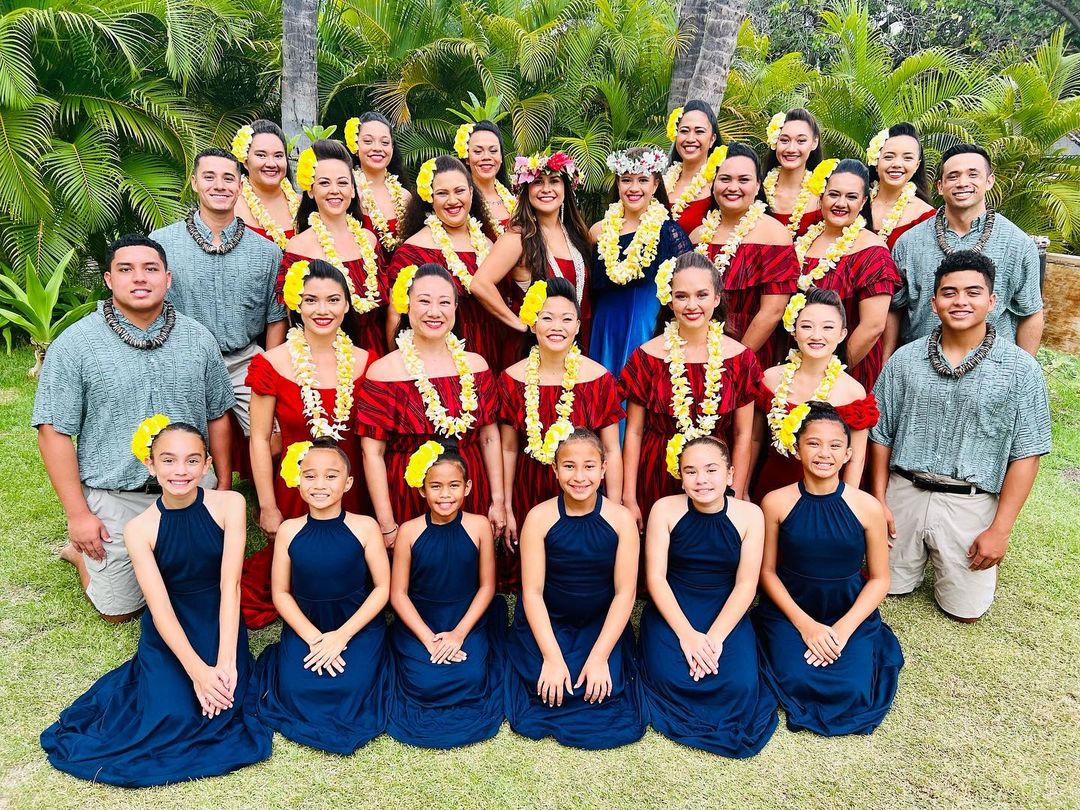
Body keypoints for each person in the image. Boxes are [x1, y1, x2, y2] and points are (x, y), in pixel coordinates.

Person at [41, 422, 270, 786]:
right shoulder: (140, 528)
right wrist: (199, 672)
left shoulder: (231, 504)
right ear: (150, 465)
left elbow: (230, 586)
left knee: (224, 703)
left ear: (207, 464)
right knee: (171, 718)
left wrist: (226, 662)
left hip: (217, 619)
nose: (181, 470)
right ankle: (81, 561)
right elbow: (160, 608)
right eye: (168, 460)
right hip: (170, 627)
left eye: (192, 460)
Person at [33, 235, 233, 623]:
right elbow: (53, 431)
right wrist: (78, 515)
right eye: (126, 269)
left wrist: (222, 483)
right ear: (109, 279)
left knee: (199, 593)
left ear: (167, 279)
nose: (139, 278)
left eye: (150, 269)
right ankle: (81, 558)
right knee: (120, 612)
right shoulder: (75, 345)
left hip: (190, 489)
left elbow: (217, 414)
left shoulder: (198, 338)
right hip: (117, 495)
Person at [870, 251, 1051, 622]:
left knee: (964, 612)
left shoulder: (1021, 370)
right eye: (949, 292)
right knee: (888, 587)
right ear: (934, 303)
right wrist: (879, 501)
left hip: (970, 503)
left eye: (973, 292)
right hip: (904, 492)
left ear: (992, 301)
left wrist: (1000, 530)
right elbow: (881, 435)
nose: (960, 301)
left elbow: (1027, 453)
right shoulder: (904, 360)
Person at [753, 403, 903, 736]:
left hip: (846, 610)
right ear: (797, 449)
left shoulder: (867, 506)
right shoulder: (775, 502)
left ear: (848, 454)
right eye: (814, 443)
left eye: (835, 445)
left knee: (852, 689)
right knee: (796, 678)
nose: (824, 453)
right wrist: (806, 626)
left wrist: (843, 630)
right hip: (791, 611)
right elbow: (767, 572)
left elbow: (880, 579)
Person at [242, 259, 372, 629]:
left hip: (354, 487)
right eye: (311, 300)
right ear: (296, 304)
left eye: (333, 300)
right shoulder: (272, 364)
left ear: (347, 305)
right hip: (297, 489)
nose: (322, 310)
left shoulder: (366, 362)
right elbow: (259, 440)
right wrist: (268, 506)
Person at [504, 428, 647, 749]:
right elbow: (532, 593)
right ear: (555, 470)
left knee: (599, 688)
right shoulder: (538, 518)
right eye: (569, 466)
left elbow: (625, 593)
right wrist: (551, 657)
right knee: (550, 686)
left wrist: (599, 657)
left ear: (604, 468)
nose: (579, 476)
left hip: (599, 622)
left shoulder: (621, 520)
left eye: (589, 466)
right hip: (550, 620)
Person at [639, 436, 778, 757]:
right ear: (681, 477)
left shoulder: (751, 515)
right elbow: (655, 578)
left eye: (711, 470)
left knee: (739, 686)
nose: (701, 479)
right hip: (674, 606)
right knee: (670, 678)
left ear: (730, 475)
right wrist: (687, 636)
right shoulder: (664, 509)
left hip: (725, 608)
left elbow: (746, 584)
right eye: (691, 471)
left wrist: (713, 639)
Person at [253, 440, 392, 753]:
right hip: (308, 626)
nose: (319, 484)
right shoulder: (288, 530)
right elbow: (281, 592)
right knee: (296, 689)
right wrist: (315, 639)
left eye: (331, 476)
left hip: (356, 625)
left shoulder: (365, 527)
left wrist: (341, 637)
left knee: (353, 686)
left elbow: (382, 588)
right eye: (310, 475)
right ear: (298, 480)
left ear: (348, 483)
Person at [358, 264, 505, 548]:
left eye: (444, 303)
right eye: (424, 301)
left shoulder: (476, 366)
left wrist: (497, 500)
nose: (434, 312)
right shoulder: (383, 372)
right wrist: (387, 524)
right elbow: (372, 453)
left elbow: (489, 437)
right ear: (407, 305)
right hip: (409, 492)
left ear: (456, 308)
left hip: (469, 487)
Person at [497, 277, 624, 592]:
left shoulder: (598, 379)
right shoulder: (512, 379)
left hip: (583, 488)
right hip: (529, 486)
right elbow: (508, 449)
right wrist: (507, 505)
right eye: (547, 318)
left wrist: (615, 508)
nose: (557, 327)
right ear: (533, 323)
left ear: (578, 326)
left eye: (567, 319)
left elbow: (612, 449)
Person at [150, 147, 286, 435]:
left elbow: (276, 318)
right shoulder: (161, 244)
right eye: (209, 177)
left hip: (244, 360)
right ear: (195, 182)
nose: (219, 186)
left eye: (228, 178)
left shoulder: (266, 252)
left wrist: (270, 370)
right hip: (183, 360)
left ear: (240, 185)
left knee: (273, 438)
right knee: (180, 441)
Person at [621, 253, 761, 528]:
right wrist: (629, 497)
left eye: (702, 295)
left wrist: (735, 491)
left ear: (717, 298)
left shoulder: (740, 359)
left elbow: (743, 434)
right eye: (682, 296)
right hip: (657, 473)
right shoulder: (646, 357)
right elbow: (634, 432)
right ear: (669, 300)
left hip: (716, 477)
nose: (692, 305)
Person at [387, 442, 505, 748]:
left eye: (453, 485)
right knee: (423, 683)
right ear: (422, 490)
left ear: (467, 487)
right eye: (436, 486)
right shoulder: (409, 531)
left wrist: (458, 634)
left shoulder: (479, 526)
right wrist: (428, 639)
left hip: (466, 618)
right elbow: (398, 594)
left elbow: (487, 587)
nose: (445, 494)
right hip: (421, 621)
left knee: (471, 678)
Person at [887, 143, 1044, 357]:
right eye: (953, 176)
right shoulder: (909, 242)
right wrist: (887, 363)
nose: (962, 183)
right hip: (920, 364)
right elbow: (894, 309)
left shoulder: (1018, 243)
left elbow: (1031, 312)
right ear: (940, 186)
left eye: (973, 174)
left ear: (989, 181)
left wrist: (1024, 369)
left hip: (993, 368)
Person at [752, 286, 877, 502]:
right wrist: (742, 489)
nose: (816, 336)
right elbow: (754, 440)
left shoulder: (853, 391)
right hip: (772, 491)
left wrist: (843, 505)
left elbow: (856, 459)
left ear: (842, 334)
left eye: (828, 327)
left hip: (828, 497)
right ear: (793, 330)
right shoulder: (771, 379)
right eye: (807, 326)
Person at [470, 151, 592, 362]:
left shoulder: (578, 235)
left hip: (576, 342)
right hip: (532, 351)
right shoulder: (519, 237)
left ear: (566, 188)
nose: (546, 189)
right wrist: (518, 323)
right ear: (526, 190)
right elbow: (480, 284)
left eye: (554, 181)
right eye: (537, 182)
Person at [788, 158, 899, 390]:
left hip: (845, 370)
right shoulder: (803, 242)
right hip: (797, 365)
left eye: (851, 197)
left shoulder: (872, 252)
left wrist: (828, 374)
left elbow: (873, 326)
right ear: (821, 197)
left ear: (863, 201)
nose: (841, 203)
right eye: (834, 194)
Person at [386, 155, 503, 369]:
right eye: (442, 193)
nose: (452, 200)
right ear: (429, 197)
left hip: (491, 350)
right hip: (435, 361)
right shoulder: (412, 252)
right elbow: (396, 315)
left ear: (471, 192)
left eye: (459, 191)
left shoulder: (489, 244)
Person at [690, 142, 799, 369]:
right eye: (725, 179)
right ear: (713, 183)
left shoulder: (775, 235)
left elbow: (772, 311)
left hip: (751, 353)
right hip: (697, 350)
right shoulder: (697, 236)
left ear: (758, 185)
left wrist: (735, 361)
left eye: (743, 180)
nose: (733, 187)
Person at [590, 146, 693, 375]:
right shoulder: (598, 232)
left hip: (647, 326)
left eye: (643, 180)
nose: (634, 188)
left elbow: (690, 284)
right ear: (618, 184)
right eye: (626, 180)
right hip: (605, 326)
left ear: (655, 185)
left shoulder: (669, 233)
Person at [280, 139, 387, 356]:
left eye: (342, 183)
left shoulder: (369, 240)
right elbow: (292, 317)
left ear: (353, 190)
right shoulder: (299, 247)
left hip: (374, 350)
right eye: (324, 183)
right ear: (311, 191)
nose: (335, 191)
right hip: (322, 355)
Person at [345, 111, 412, 254]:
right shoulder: (346, 192)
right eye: (368, 141)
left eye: (385, 142)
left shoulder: (405, 197)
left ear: (392, 148)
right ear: (355, 146)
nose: (377, 148)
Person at [866, 122, 935, 251]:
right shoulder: (854, 203)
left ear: (917, 165)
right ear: (876, 161)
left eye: (907, 158)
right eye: (889, 157)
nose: (897, 164)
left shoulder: (927, 218)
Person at [231, 119, 300, 249]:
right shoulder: (230, 206)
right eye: (261, 155)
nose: (271, 164)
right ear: (245, 160)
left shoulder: (303, 205)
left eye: (278, 156)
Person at [760, 108, 824, 238]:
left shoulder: (824, 196)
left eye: (801, 141)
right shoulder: (756, 191)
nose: (791, 149)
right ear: (775, 142)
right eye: (784, 140)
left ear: (814, 143)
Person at [664, 100, 724, 235]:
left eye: (699, 131)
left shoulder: (722, 185)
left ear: (712, 139)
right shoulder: (662, 184)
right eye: (684, 131)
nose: (690, 138)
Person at [455, 119, 516, 232]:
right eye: (478, 151)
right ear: (467, 158)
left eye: (493, 151)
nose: (486, 157)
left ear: (501, 157)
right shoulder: (459, 200)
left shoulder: (514, 197)